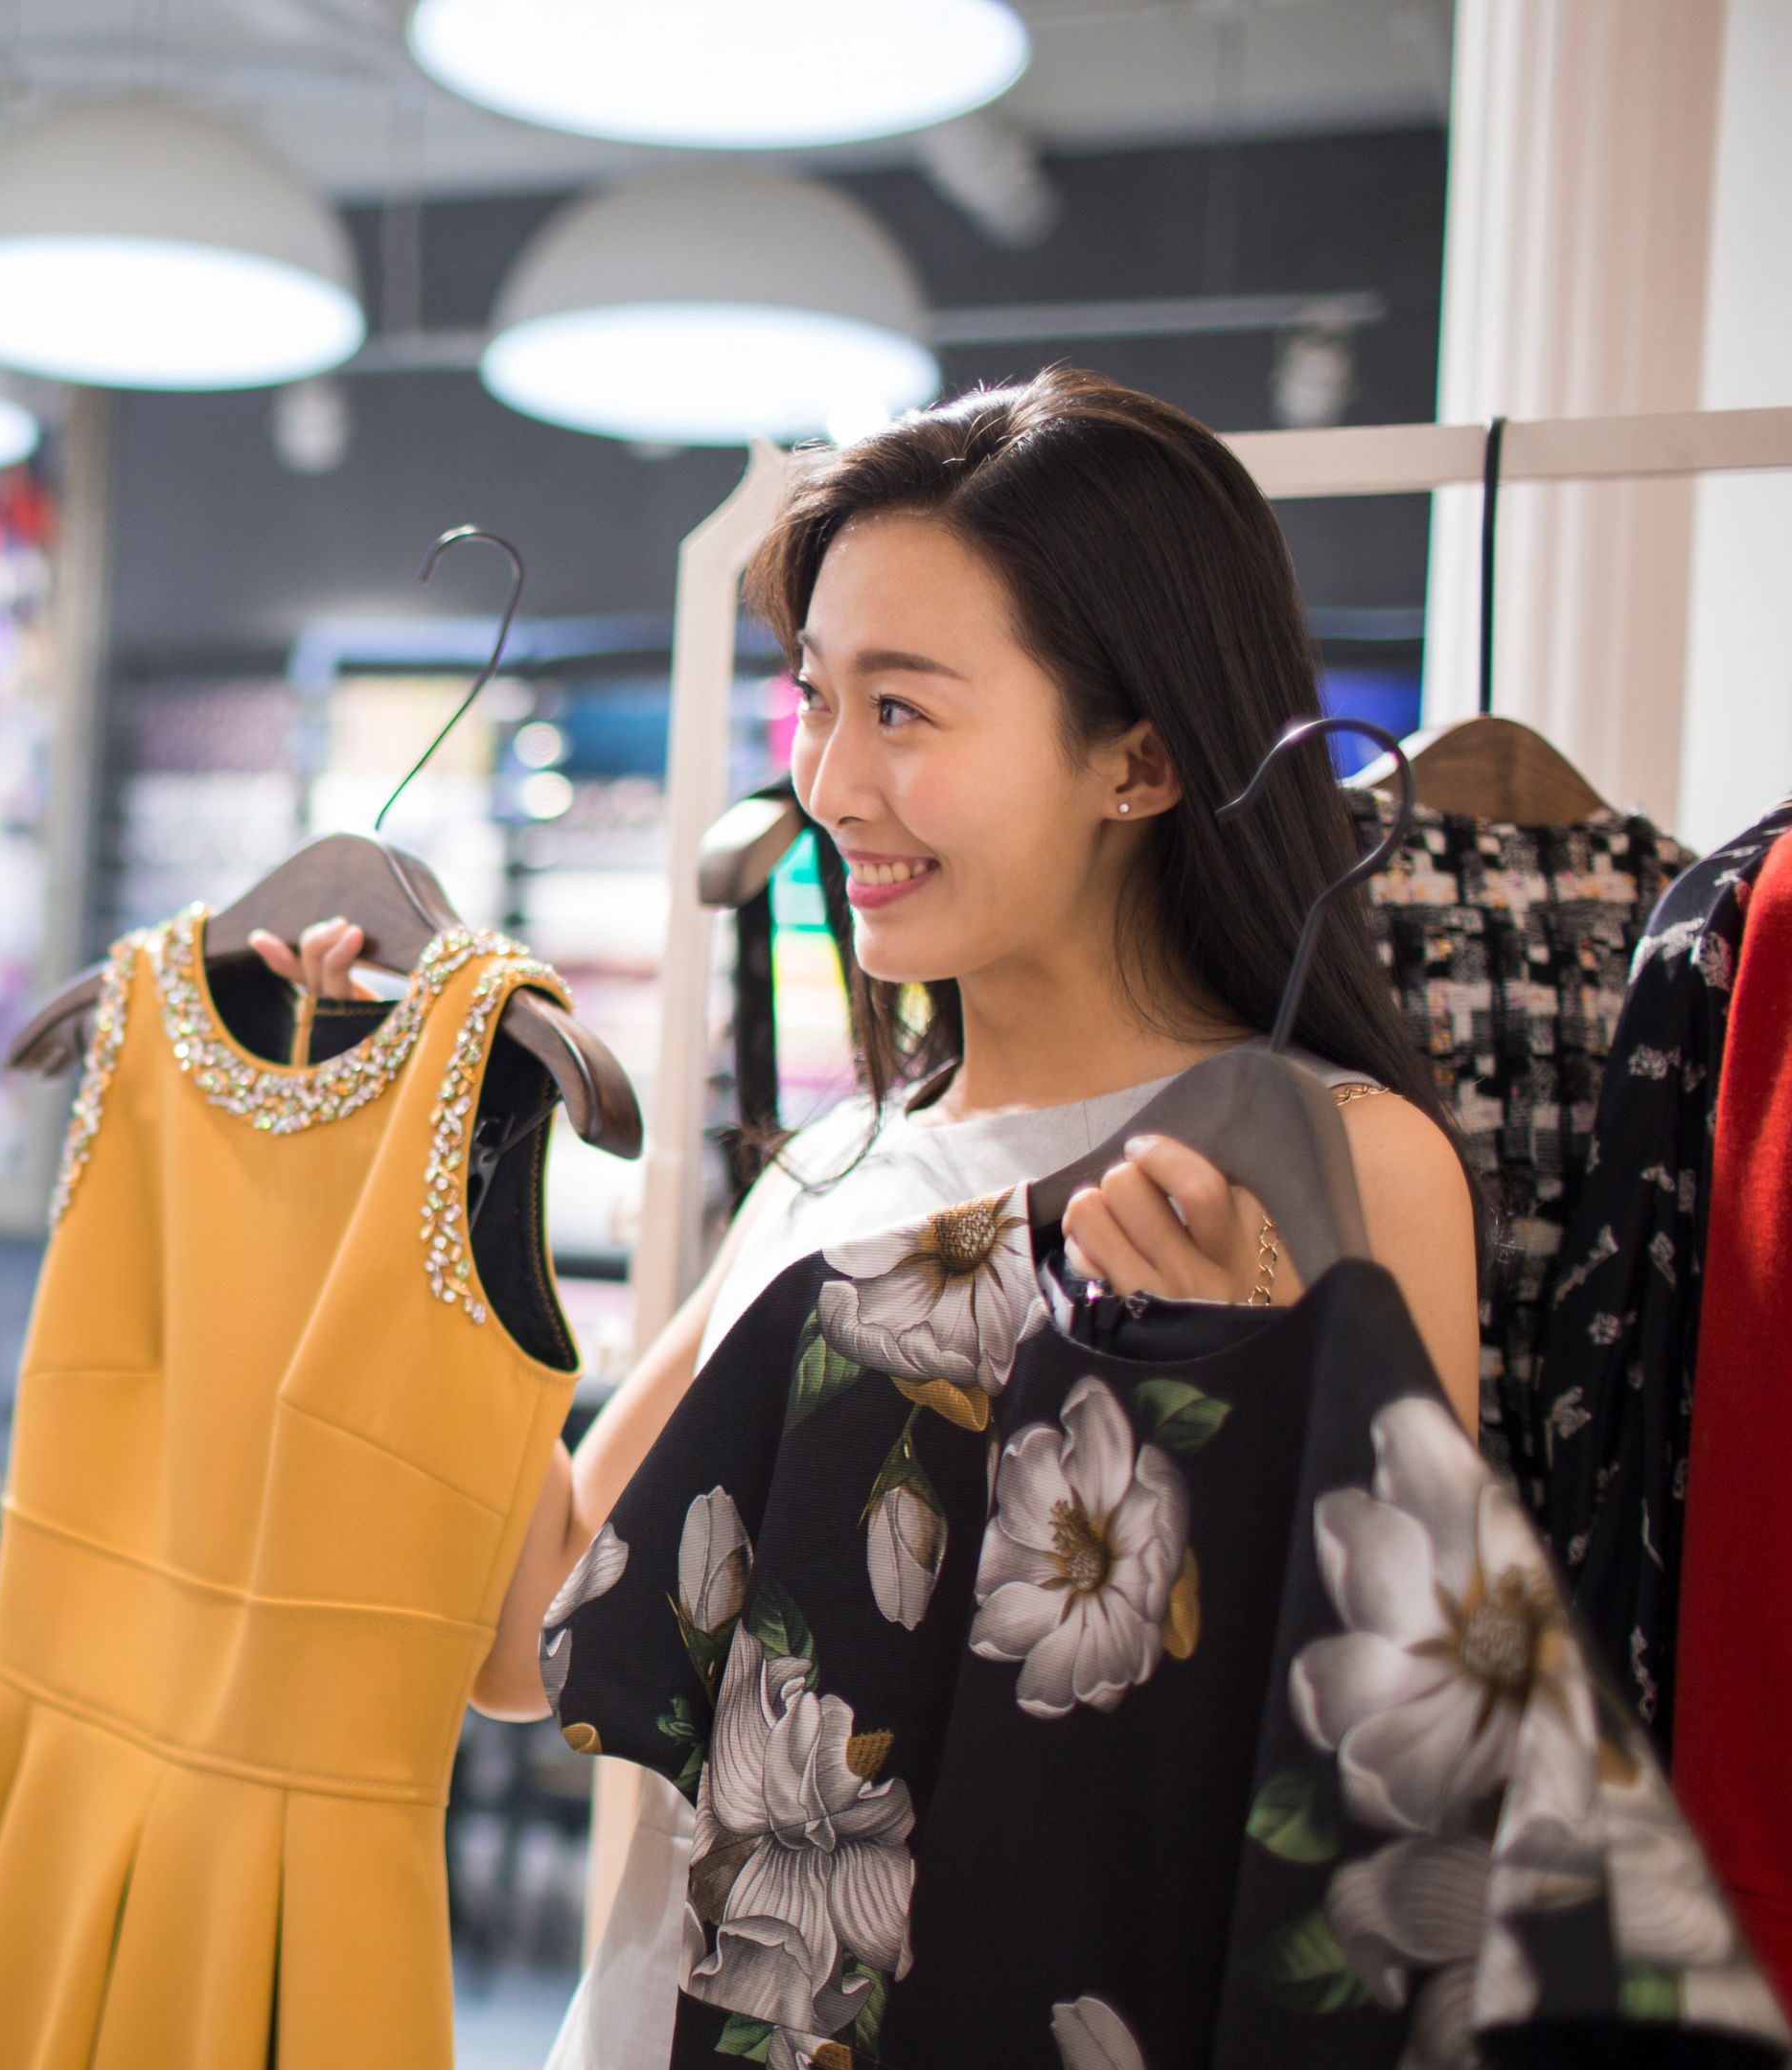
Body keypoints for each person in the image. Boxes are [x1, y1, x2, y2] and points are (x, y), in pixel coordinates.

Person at [325, 369, 1482, 1719]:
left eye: (899, 710)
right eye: (819, 699)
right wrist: (424, 1150)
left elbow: (1414, 1734)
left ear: (1143, 763)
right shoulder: (829, 1169)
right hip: (688, 1940)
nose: (827, 784)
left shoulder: (1340, 1164)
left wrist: (1257, 1404)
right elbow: (535, 1645)